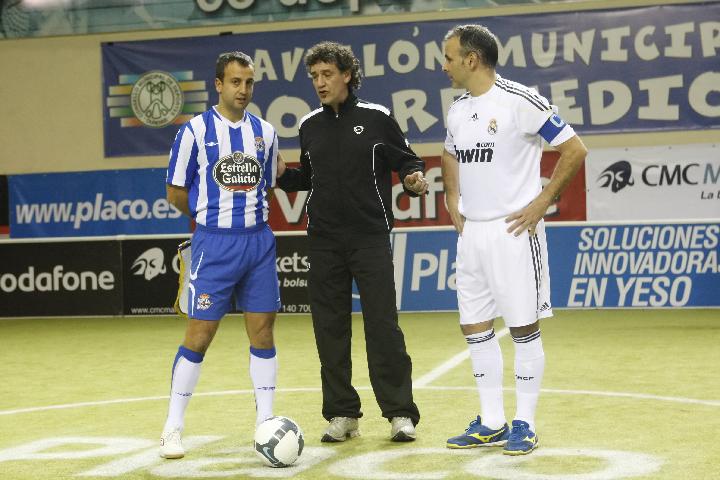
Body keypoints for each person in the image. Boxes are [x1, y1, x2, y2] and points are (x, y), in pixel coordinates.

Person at [440, 25, 587, 455]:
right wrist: (452, 197)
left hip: (514, 233)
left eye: (449, 58)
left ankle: (525, 422)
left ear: (471, 59)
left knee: (523, 327)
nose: (444, 66)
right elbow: (450, 152)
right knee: (474, 326)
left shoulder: (521, 100)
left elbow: (574, 149)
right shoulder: (458, 109)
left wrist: (542, 202)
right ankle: (492, 421)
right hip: (472, 235)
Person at [277, 41, 428, 442]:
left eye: (327, 74)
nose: (320, 83)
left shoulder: (377, 118)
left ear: (347, 75)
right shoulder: (309, 125)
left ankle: (400, 412)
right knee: (329, 330)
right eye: (314, 76)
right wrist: (282, 175)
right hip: (323, 241)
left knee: (383, 327)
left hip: (369, 238)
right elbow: (308, 177)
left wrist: (412, 179)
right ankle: (342, 413)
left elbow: (407, 160)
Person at [160, 51, 286, 459]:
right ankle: (172, 427)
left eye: (248, 83)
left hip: (259, 243)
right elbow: (175, 192)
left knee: (263, 333)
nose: (243, 90)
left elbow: (266, 187)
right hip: (213, 245)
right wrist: (207, 217)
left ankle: (265, 423)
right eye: (235, 82)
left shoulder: (266, 132)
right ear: (218, 84)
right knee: (199, 336)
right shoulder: (194, 131)